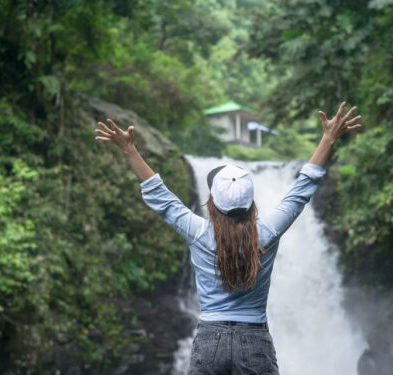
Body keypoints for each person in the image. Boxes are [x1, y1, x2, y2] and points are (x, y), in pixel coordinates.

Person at [94, 102, 363, 374]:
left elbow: (161, 197)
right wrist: (328, 138)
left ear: (212, 201)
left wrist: (129, 149)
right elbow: (302, 189)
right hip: (255, 339)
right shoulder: (267, 232)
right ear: (250, 203)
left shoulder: (198, 232)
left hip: (210, 341)